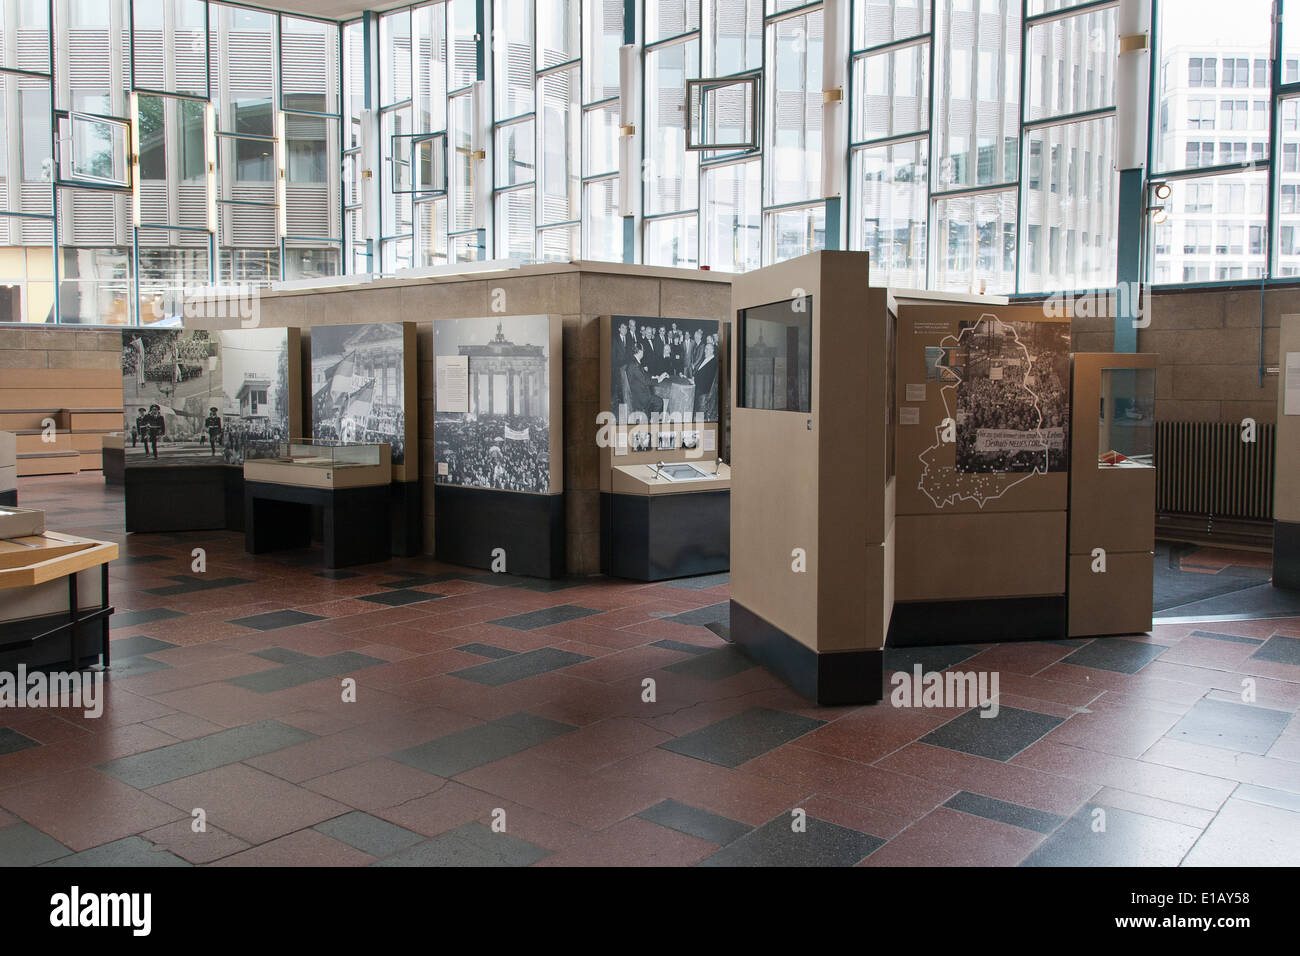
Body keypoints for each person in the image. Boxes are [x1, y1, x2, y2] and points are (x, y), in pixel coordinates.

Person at [694, 340, 718, 419]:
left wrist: (694, 382)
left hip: (703, 391)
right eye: (705, 349)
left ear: (712, 350)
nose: (705, 351)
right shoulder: (706, 358)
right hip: (699, 386)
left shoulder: (714, 362)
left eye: (707, 349)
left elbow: (708, 380)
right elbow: (699, 373)